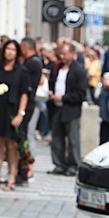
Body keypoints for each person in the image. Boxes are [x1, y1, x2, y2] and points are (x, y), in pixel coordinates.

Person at [0, 40, 31, 190]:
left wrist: (21, 114)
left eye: (13, 49)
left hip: (12, 110)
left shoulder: (21, 70)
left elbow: (24, 94)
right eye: (7, 49)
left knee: (11, 145)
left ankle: (12, 175)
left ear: (17, 52)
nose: (10, 52)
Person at [47, 42, 87, 176]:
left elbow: (81, 93)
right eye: (61, 54)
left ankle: (74, 165)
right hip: (56, 108)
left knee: (72, 139)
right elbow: (52, 82)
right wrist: (51, 93)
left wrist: (64, 98)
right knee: (57, 137)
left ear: (72, 54)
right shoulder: (57, 67)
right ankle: (59, 164)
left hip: (71, 108)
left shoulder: (78, 70)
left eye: (65, 54)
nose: (62, 56)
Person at [19, 37, 43, 179]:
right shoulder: (34, 61)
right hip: (29, 104)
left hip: (29, 105)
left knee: (27, 135)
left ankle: (29, 165)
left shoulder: (32, 63)